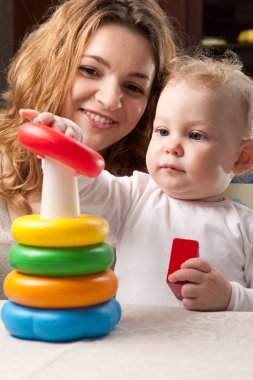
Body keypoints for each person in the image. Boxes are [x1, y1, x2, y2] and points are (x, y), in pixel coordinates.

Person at [39, 51, 253, 311]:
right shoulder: (134, 195)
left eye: (196, 135)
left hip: (211, 350)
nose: (171, 146)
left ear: (241, 158)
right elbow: (82, 191)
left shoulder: (245, 227)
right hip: (134, 346)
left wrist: (230, 297)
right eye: (162, 131)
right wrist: (66, 147)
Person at [0, 0, 177, 299]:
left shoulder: (146, 194)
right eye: (90, 70)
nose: (110, 100)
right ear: (50, 65)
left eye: (133, 87)